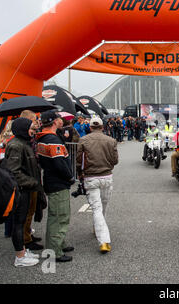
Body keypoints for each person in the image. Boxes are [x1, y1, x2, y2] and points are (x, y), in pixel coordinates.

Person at [36, 110, 75, 262]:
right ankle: (54, 251)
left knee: (56, 215)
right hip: (58, 182)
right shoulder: (52, 139)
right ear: (54, 121)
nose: (61, 119)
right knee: (59, 217)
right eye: (59, 118)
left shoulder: (43, 138)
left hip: (51, 180)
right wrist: (70, 177)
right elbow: (59, 163)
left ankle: (59, 243)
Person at [76, 117, 118, 254]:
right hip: (106, 176)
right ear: (102, 127)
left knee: (97, 208)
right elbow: (115, 160)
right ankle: (100, 232)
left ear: (90, 127)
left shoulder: (83, 140)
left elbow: (78, 160)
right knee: (103, 207)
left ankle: (104, 240)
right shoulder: (111, 140)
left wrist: (80, 174)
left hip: (91, 176)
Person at [5, 117, 42, 267]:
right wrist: (32, 182)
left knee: (21, 222)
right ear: (22, 128)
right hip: (21, 190)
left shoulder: (23, 143)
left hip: (26, 189)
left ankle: (23, 250)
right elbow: (13, 171)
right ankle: (19, 256)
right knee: (18, 223)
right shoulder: (16, 145)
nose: (33, 131)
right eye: (30, 128)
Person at [19, 109, 44, 251]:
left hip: (34, 177)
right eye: (34, 119)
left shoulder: (32, 138)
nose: (37, 122)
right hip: (27, 181)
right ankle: (25, 240)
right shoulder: (20, 141)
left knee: (32, 209)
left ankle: (27, 234)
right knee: (27, 211)